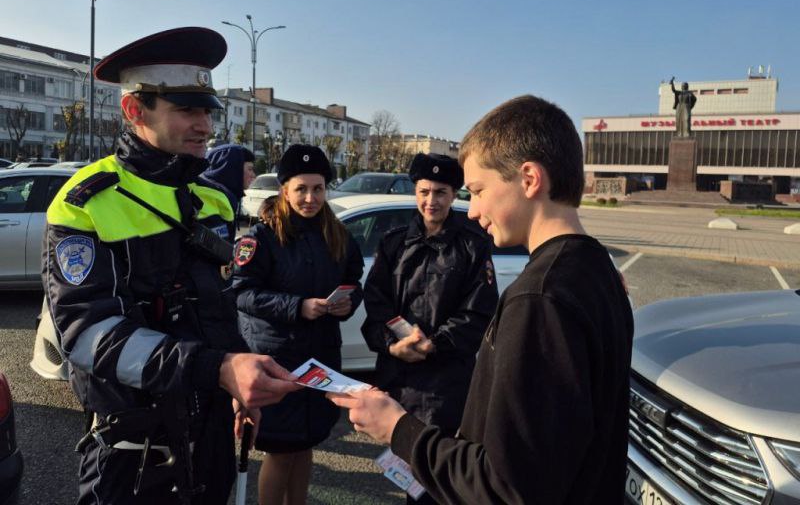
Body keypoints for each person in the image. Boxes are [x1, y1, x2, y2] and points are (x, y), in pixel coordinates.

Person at [330, 95, 634, 504]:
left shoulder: (539, 297)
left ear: (529, 179)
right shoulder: (597, 268)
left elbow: (506, 486)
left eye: (477, 190)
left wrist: (397, 428)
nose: (471, 210)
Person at [42, 27, 299, 505]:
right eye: (186, 109)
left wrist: (239, 383)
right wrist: (220, 369)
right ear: (134, 110)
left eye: (207, 110)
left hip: (212, 432)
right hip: (135, 451)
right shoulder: (85, 201)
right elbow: (87, 335)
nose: (205, 125)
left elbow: (222, 309)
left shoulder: (215, 201)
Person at [361, 153, 497, 504]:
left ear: (454, 195)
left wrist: (434, 344)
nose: (430, 201)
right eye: (424, 191)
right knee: (409, 481)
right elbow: (375, 305)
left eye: (440, 192)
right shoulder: (393, 243)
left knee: (439, 482)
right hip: (399, 380)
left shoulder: (473, 245)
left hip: (446, 388)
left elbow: (478, 313)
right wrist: (391, 345)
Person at [232, 144, 365, 505]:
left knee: (306, 445)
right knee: (281, 450)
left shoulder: (336, 234)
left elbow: (354, 278)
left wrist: (347, 303)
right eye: (301, 189)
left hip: (320, 357)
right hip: (277, 360)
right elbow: (242, 293)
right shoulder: (261, 237)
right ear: (283, 190)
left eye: (318, 189)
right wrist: (297, 307)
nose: (310, 198)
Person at [201, 142, 256, 233]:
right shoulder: (213, 202)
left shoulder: (222, 197)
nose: (253, 175)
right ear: (232, 170)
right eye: (249, 169)